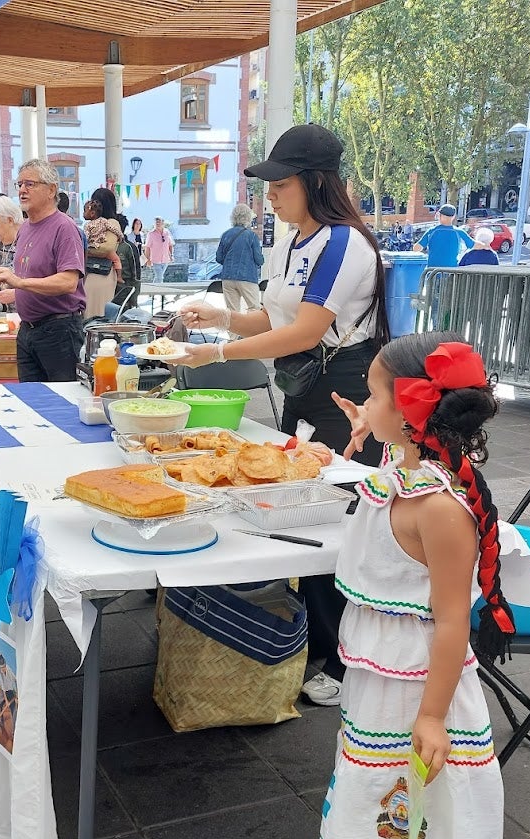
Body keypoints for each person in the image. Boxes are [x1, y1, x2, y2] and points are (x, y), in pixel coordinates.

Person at [300, 332, 507, 839]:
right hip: (387, 670)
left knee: (410, 800)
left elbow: (451, 622)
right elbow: (395, 458)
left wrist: (435, 716)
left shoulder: (439, 509)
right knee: (401, 789)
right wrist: (371, 422)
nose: (364, 402)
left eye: (373, 393)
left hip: (415, 681)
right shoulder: (405, 468)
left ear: (413, 411)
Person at [171, 123, 389, 710]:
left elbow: (308, 329)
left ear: (315, 183)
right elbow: (270, 320)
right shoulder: (292, 241)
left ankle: (350, 659)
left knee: (342, 519)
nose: (271, 195)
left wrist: (215, 353)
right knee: (304, 506)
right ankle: (322, 638)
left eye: (281, 183)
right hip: (303, 385)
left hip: (343, 391)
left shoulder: (345, 243)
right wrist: (215, 319)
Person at [0, 158, 86, 383]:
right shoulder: (26, 228)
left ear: (51, 190)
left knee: (61, 401)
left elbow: (68, 282)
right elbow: (32, 278)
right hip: (27, 330)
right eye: (19, 184)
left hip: (58, 330)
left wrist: (19, 283)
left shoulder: (64, 228)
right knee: (31, 399)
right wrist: (8, 292)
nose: (22, 190)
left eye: (30, 184)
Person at [82, 189, 123, 320]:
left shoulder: (111, 222)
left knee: (98, 314)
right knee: (89, 312)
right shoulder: (93, 223)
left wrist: (86, 249)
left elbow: (107, 248)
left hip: (101, 274)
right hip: (90, 273)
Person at [216, 203, 266, 311]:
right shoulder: (251, 236)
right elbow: (259, 260)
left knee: (232, 311)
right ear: (248, 217)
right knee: (254, 308)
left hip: (227, 278)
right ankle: (252, 328)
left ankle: (234, 329)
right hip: (247, 277)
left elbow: (219, 258)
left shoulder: (225, 235)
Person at [144, 216, 174, 283]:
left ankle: (153, 291)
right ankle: (162, 292)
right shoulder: (151, 234)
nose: (158, 224)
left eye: (159, 222)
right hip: (155, 260)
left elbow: (170, 245)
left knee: (158, 277)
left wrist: (171, 255)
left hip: (165, 260)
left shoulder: (167, 232)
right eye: (156, 223)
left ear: (163, 223)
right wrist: (147, 259)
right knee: (160, 278)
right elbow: (147, 247)